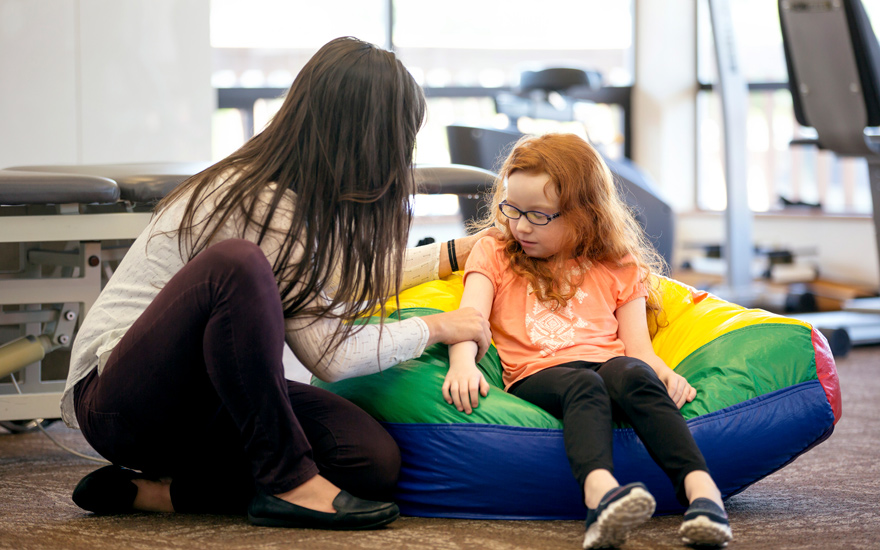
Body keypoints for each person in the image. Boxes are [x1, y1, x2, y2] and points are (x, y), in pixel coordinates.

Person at [63, 36, 493, 531]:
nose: (404, 156)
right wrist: (441, 327)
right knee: (235, 264)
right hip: (123, 404)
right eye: (403, 139)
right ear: (368, 138)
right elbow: (332, 356)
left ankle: (161, 495)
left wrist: (450, 255)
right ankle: (288, 482)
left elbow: (333, 280)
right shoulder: (257, 199)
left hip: (208, 398)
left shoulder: (304, 199)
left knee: (369, 460)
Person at [442, 133, 733, 548]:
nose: (521, 225)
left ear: (584, 213)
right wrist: (462, 363)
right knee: (585, 385)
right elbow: (469, 318)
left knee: (633, 374)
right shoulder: (495, 250)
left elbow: (638, 350)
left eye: (539, 215)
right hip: (538, 373)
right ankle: (601, 498)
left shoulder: (617, 262)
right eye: (512, 209)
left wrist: (662, 371)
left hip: (608, 365)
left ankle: (703, 495)